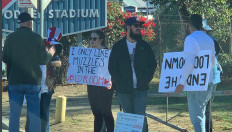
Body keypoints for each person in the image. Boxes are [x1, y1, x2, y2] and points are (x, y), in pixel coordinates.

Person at [2, 12, 55, 132]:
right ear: (30, 23)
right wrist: (50, 53)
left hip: (14, 81)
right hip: (32, 81)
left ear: (20, 23)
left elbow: (4, 58)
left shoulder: (10, 38)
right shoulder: (36, 38)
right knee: (34, 115)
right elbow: (43, 60)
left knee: (14, 115)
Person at [108, 17, 157, 132]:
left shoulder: (145, 46)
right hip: (124, 90)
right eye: (136, 26)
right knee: (129, 119)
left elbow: (153, 64)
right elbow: (112, 67)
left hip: (141, 89)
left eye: (139, 26)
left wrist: (146, 80)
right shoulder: (118, 47)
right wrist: (119, 83)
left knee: (140, 118)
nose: (138, 28)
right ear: (128, 27)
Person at [175, 14, 216, 132]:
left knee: (197, 120)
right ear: (201, 25)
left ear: (189, 25)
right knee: (202, 115)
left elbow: (189, 62)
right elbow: (213, 62)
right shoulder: (209, 39)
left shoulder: (190, 39)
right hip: (208, 81)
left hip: (195, 84)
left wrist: (181, 82)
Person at [25, 27, 63, 132]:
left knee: (44, 112)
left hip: (47, 86)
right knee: (31, 112)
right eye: (49, 44)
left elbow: (59, 63)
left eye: (52, 45)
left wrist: (48, 61)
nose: (50, 47)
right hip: (34, 85)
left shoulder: (53, 55)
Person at [87, 30, 114, 132]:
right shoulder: (88, 53)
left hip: (105, 86)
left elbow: (113, 69)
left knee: (106, 112)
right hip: (92, 86)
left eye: (94, 39)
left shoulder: (108, 53)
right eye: (90, 38)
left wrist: (111, 80)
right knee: (96, 113)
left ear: (101, 40)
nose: (92, 41)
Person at [202, 19, 222, 132]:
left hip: (212, 78)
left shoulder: (212, 41)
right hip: (203, 78)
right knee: (204, 108)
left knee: (207, 108)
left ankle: (208, 129)